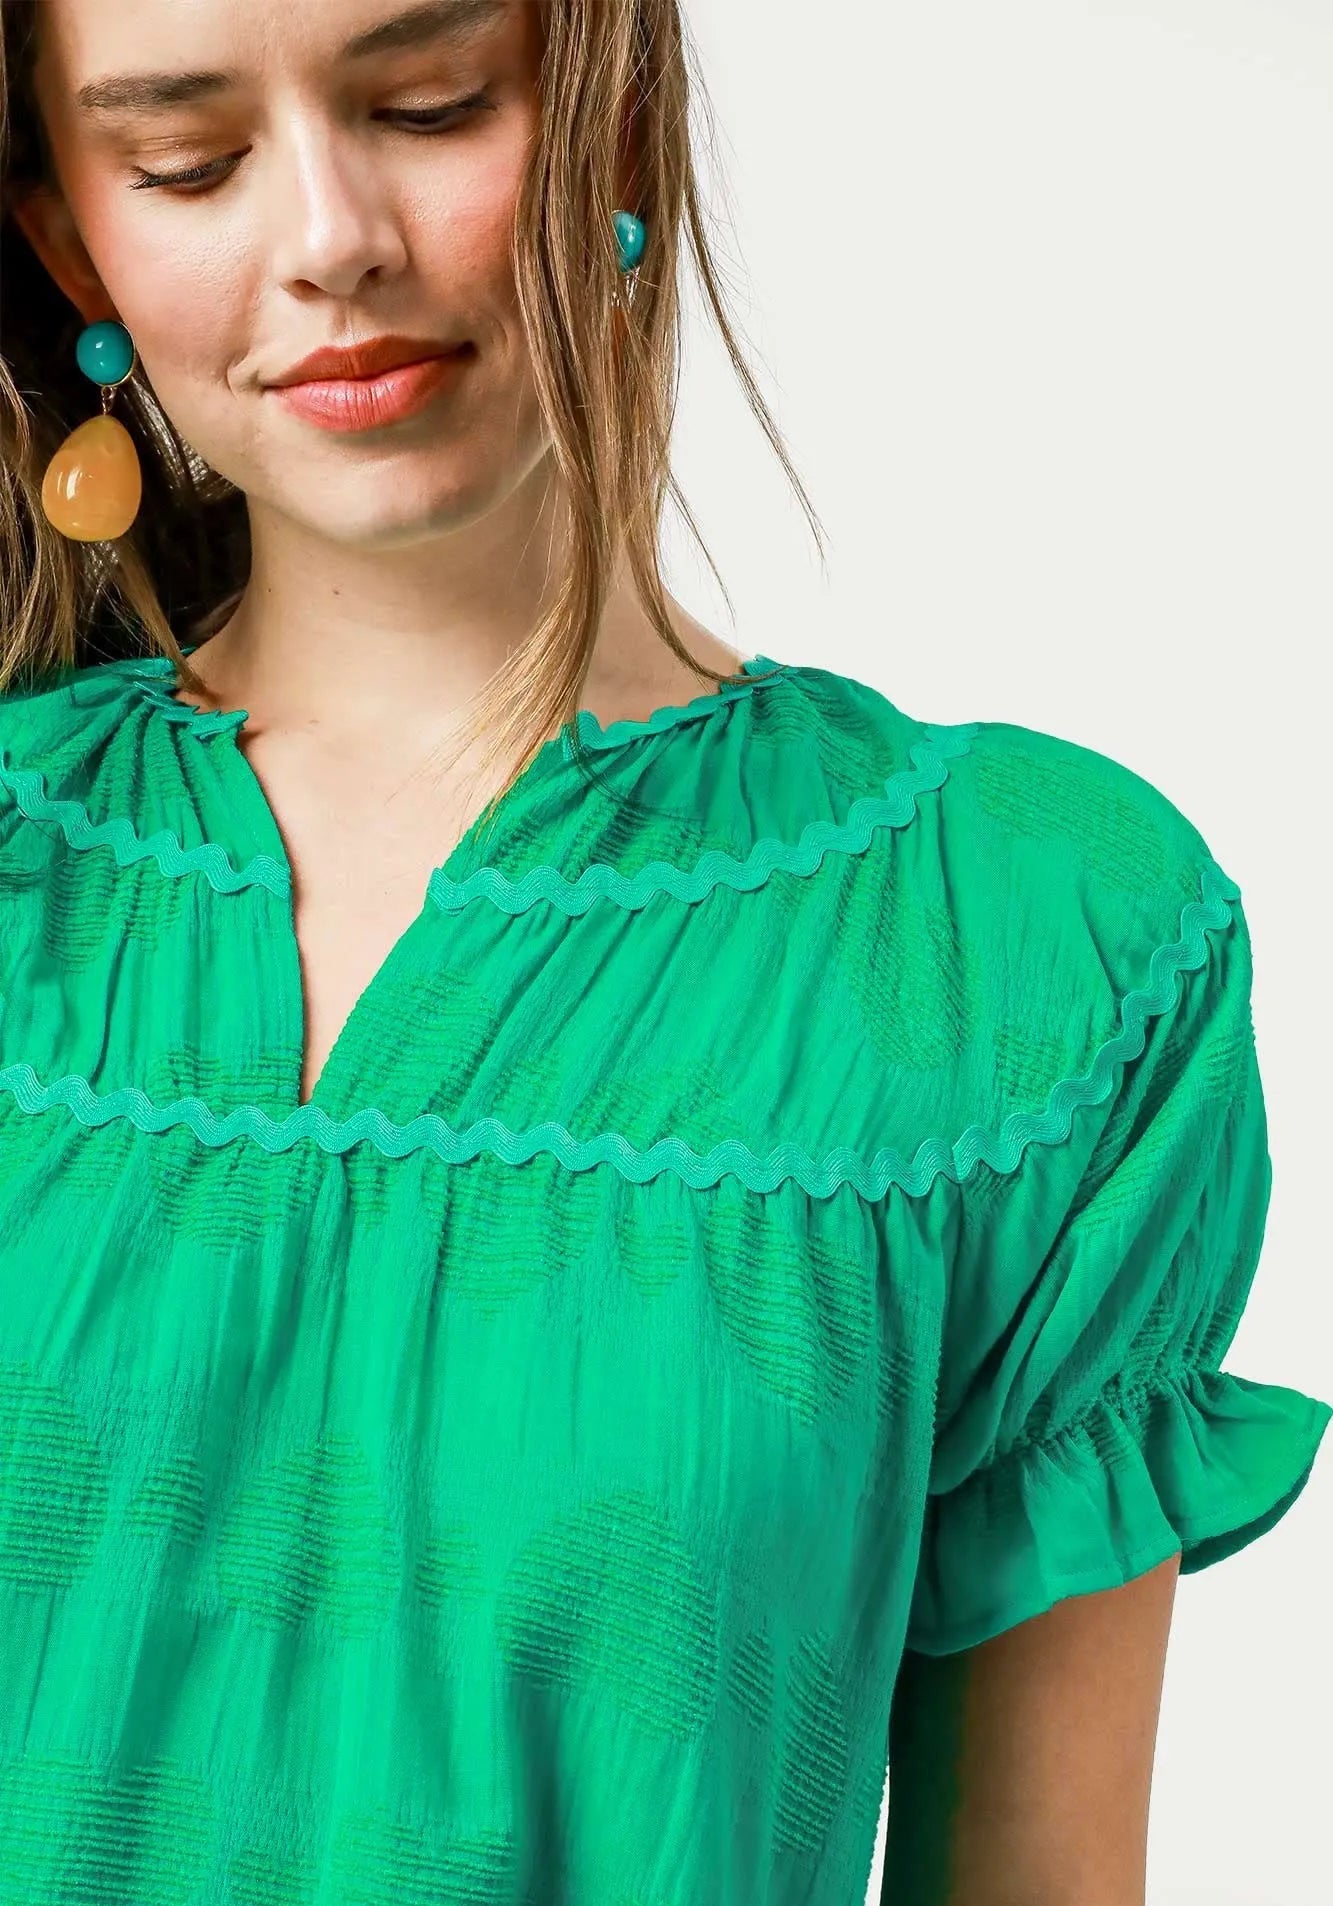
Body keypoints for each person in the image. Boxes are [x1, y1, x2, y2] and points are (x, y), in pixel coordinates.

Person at [0, 3, 1326, 1902]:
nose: (329, 236)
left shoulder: (1017, 948)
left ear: (614, 117)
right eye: (185, 160)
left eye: (430, 104)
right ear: (71, 245)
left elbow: (1035, 1866)